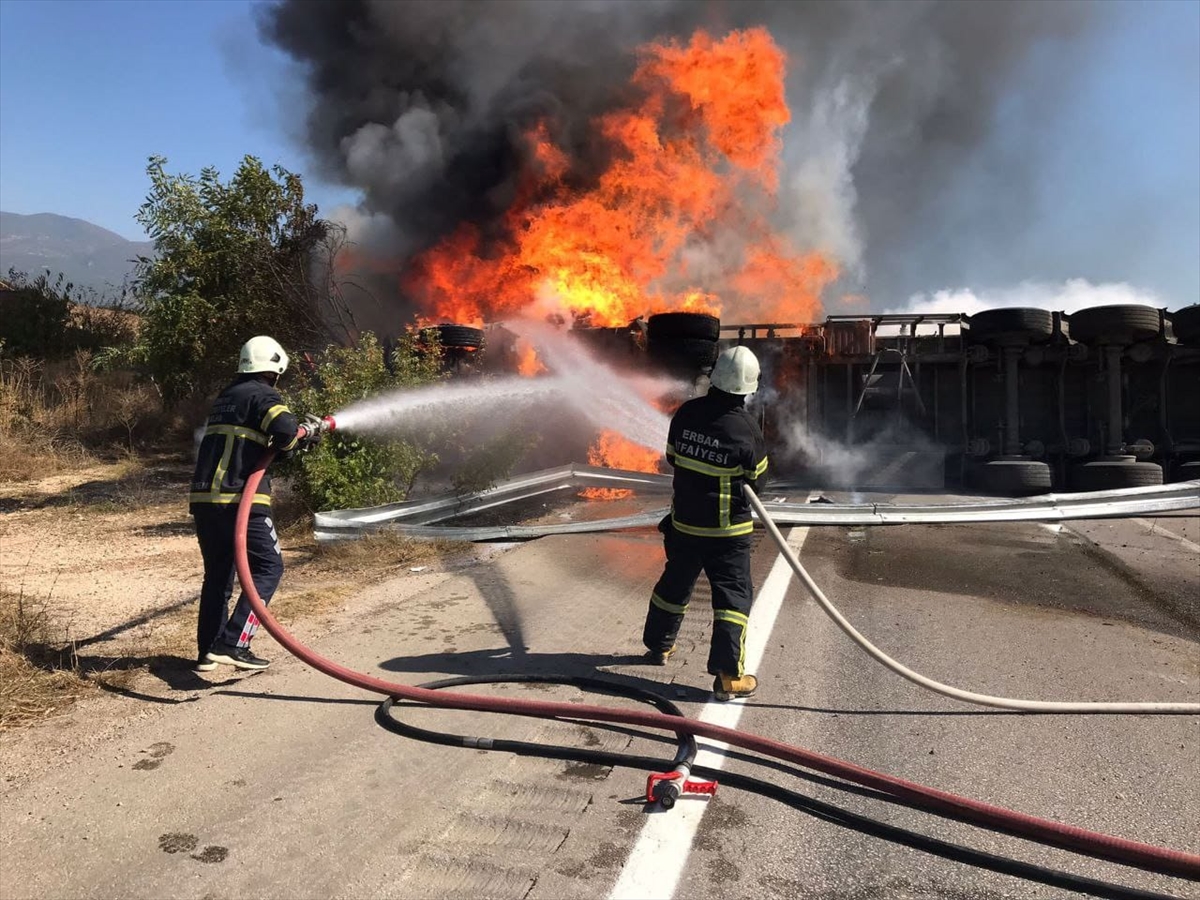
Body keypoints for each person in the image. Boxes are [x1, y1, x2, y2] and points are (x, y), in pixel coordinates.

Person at [642, 345, 768, 701]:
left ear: (714, 379)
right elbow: (758, 481)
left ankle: (659, 646)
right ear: (747, 388)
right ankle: (728, 677)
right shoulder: (746, 429)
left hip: (684, 524)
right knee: (732, 597)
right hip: (727, 533)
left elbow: (671, 457)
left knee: (675, 583)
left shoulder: (686, 413)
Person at [189, 336, 321, 672]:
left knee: (218, 576)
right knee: (268, 568)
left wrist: (289, 444)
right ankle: (234, 642)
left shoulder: (227, 396)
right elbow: (286, 428)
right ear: (274, 368)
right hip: (240, 500)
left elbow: (269, 441)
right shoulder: (262, 394)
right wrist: (301, 435)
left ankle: (209, 651)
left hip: (206, 499)